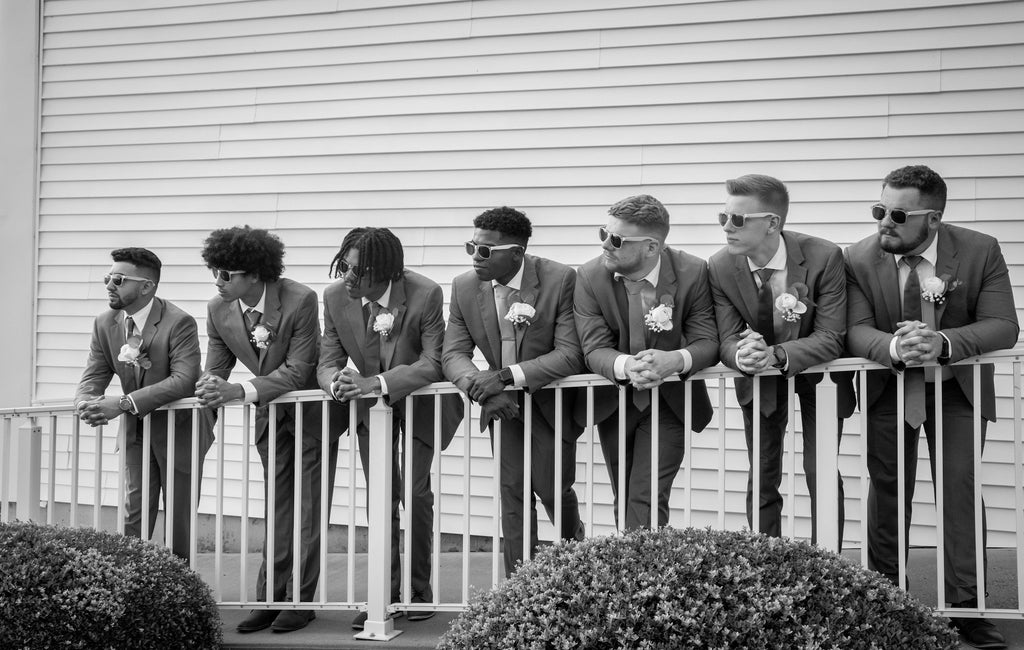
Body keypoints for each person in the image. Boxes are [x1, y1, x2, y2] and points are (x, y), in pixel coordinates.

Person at [845, 165, 1018, 649]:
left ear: (934, 219)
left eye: (898, 214)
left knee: (960, 489)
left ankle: (968, 607)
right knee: (887, 490)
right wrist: (897, 349)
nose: (884, 222)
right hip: (890, 387)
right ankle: (884, 602)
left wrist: (941, 341)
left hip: (957, 388)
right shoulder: (857, 257)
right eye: (879, 210)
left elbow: (1004, 325)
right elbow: (854, 328)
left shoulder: (980, 249)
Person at [196, 226, 346, 635]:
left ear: (255, 274)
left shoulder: (299, 299)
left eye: (226, 274)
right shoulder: (218, 309)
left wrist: (238, 391)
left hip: (311, 418)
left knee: (308, 512)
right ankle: (269, 599)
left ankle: (300, 601)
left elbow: (300, 370)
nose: (218, 281)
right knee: (278, 512)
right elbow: (217, 365)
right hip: (268, 419)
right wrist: (208, 385)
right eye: (215, 271)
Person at [317, 227, 464, 628]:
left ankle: (418, 591)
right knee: (380, 496)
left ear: (386, 271)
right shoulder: (334, 297)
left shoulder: (425, 292)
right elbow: (327, 357)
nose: (347, 276)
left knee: (415, 494)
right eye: (343, 265)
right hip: (370, 411)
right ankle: (384, 591)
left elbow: (433, 361)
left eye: (357, 270)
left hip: (420, 403)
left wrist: (377, 383)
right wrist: (336, 383)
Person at [707, 174, 854, 545]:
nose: (726, 227)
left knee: (819, 470)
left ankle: (830, 566)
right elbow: (724, 338)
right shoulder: (721, 266)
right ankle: (763, 567)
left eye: (737, 219)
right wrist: (743, 355)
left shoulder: (824, 256)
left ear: (772, 223)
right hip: (759, 377)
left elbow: (832, 337)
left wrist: (776, 354)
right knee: (763, 471)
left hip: (818, 376)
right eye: (722, 217)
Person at [442, 206, 585, 576]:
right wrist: (486, 390)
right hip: (501, 405)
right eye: (471, 246)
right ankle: (521, 584)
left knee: (553, 488)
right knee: (513, 493)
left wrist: (505, 377)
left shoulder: (560, 279)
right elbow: (454, 354)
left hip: (549, 400)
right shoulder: (464, 286)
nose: (475, 256)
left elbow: (569, 354)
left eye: (485, 250)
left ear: (517, 253)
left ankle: (579, 566)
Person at [573, 194, 718, 530]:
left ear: (651, 247)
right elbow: (593, 347)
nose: (606, 245)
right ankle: (638, 574)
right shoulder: (590, 276)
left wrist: (675, 361)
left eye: (617, 239)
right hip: (616, 401)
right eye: (603, 234)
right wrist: (627, 366)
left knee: (646, 495)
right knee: (624, 495)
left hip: (669, 404)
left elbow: (707, 341)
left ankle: (641, 579)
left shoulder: (692, 271)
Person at [76, 247, 213, 561]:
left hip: (182, 429)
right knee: (133, 509)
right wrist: (86, 402)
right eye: (108, 278)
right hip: (137, 430)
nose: (110, 284)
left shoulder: (179, 322)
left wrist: (122, 403)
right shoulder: (105, 323)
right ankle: (131, 579)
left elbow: (183, 379)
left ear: (147, 286)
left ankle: (181, 586)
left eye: (119, 279)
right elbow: (93, 375)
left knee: (179, 512)